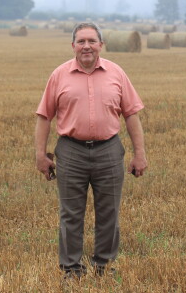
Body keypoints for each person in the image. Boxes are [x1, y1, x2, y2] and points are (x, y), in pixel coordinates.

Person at [35, 22, 147, 278]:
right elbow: (44, 117)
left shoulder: (117, 73)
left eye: (92, 41)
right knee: (70, 215)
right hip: (70, 151)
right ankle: (71, 269)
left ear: (101, 45)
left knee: (109, 213)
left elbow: (131, 115)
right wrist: (40, 155)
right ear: (73, 45)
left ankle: (104, 266)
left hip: (108, 150)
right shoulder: (59, 75)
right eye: (81, 41)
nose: (87, 46)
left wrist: (139, 154)